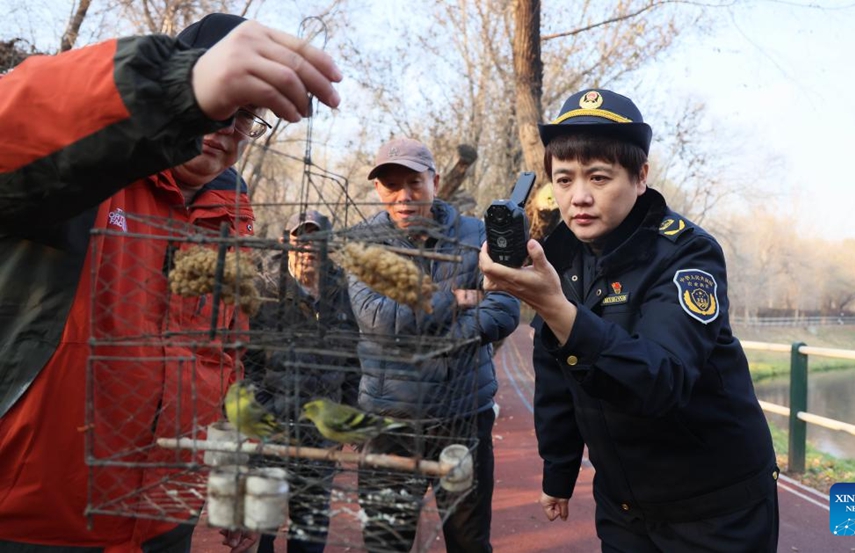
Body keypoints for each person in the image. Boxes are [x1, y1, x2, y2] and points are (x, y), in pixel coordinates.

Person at [0, 12, 341, 553]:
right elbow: (13, 130)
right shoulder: (91, 169)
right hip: (37, 521)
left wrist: (230, 475)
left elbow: (222, 360)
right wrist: (173, 88)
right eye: (221, 106)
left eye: (246, 118)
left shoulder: (232, 219)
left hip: (162, 520)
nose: (228, 129)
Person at [479, 89, 779, 552]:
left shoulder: (686, 254)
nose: (578, 197)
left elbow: (663, 379)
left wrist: (556, 306)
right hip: (623, 506)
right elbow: (557, 377)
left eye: (599, 178)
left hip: (716, 506)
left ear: (640, 176)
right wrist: (558, 471)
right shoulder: (557, 255)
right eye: (563, 180)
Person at [346, 138, 520, 553]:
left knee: (469, 541)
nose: (404, 197)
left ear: (435, 181)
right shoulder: (361, 242)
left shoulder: (477, 233)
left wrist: (443, 340)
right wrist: (458, 297)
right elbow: (378, 320)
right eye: (390, 185)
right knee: (386, 541)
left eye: (414, 182)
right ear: (377, 189)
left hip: (463, 415)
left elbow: (505, 306)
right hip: (389, 422)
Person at [245, 210, 359, 553]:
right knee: (259, 527)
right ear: (286, 240)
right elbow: (245, 362)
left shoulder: (344, 291)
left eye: (317, 239)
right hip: (270, 429)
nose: (308, 246)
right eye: (301, 237)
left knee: (309, 532)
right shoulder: (263, 289)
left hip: (319, 437)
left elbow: (354, 365)